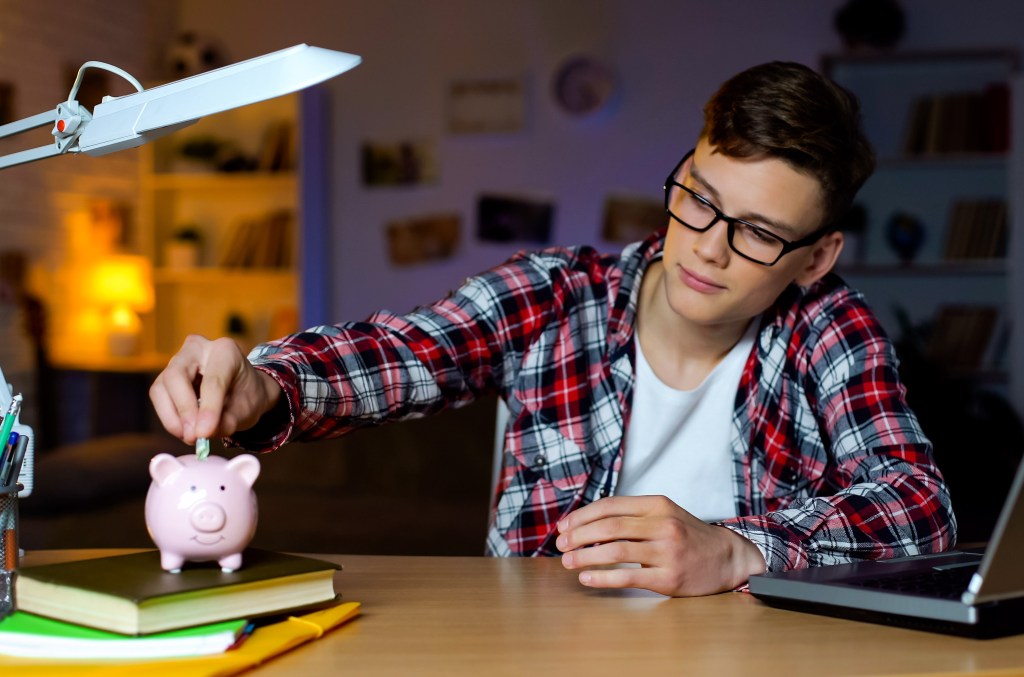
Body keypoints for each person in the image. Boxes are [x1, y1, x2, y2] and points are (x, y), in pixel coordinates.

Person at [150, 61, 956, 597]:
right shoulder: (557, 294)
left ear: (814, 258)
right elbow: (406, 351)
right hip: (540, 648)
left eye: (756, 232)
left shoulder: (830, 327)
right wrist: (268, 381)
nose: (707, 245)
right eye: (700, 198)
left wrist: (740, 549)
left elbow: (921, 507)